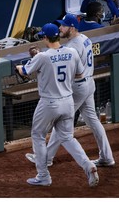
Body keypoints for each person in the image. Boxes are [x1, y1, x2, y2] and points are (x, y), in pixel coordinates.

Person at [26, 14, 115, 168]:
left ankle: (46, 158)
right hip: (89, 83)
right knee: (93, 121)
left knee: (61, 124)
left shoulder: (72, 47)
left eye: (64, 26)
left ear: (72, 28)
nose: (60, 28)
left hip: (78, 87)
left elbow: (68, 71)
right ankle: (106, 157)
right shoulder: (85, 38)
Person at [16, 23, 99, 187]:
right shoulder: (72, 52)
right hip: (68, 101)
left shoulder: (42, 57)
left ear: (46, 38)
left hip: (49, 103)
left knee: (38, 135)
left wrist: (22, 66)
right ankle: (88, 165)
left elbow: (24, 71)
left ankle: (43, 176)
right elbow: (80, 74)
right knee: (68, 138)